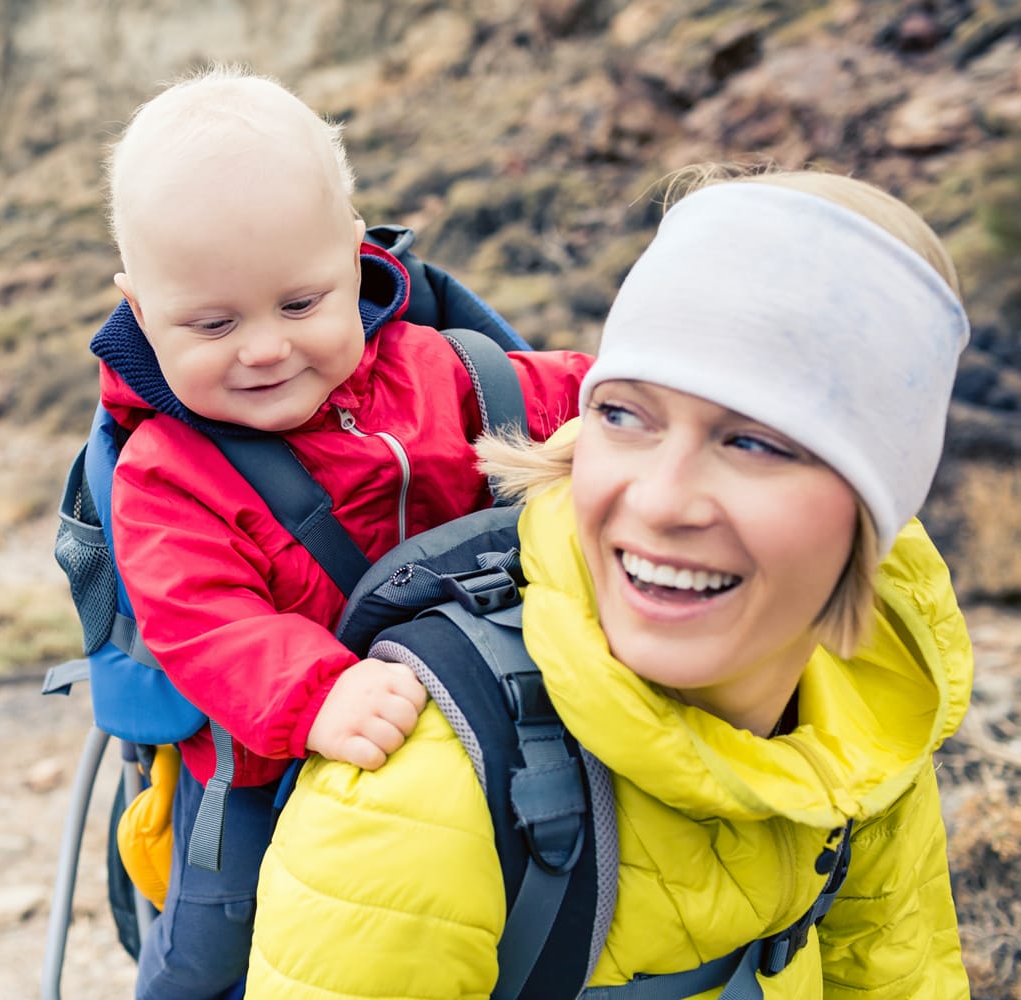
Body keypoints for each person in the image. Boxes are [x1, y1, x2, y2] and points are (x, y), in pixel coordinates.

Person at [246, 167, 974, 998]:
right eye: (625, 416)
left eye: (756, 443)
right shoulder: (416, 797)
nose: (660, 501)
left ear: (878, 503)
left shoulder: (869, 709)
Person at [90, 64, 594, 999]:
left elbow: (580, 394)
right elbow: (203, 620)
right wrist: (315, 692)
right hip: (266, 756)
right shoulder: (167, 470)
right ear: (138, 305)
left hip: (494, 703)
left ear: (352, 254)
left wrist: (649, 402)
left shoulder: (443, 371)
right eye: (211, 322)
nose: (266, 347)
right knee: (218, 936)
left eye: (301, 303)